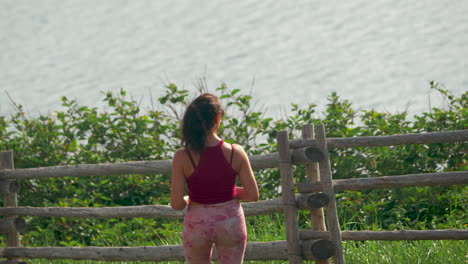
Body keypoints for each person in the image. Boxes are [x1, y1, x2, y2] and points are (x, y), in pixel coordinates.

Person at [171, 93, 259, 264]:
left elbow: (176, 204)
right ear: (218, 118)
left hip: (197, 223)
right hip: (230, 221)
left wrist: (189, 199)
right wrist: (232, 191)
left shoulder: (182, 157)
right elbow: (252, 195)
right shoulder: (236, 152)